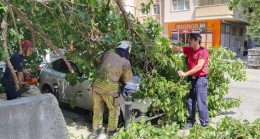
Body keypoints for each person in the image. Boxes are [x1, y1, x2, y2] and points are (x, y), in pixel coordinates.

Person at [92, 41, 133, 138]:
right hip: (110, 90)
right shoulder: (125, 62)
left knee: (97, 109)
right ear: (127, 49)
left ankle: (96, 131)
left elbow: (98, 61)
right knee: (114, 110)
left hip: (97, 86)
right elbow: (128, 78)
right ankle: (111, 133)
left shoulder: (108, 53)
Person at [170, 33, 209, 128]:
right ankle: (191, 121)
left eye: (190, 39)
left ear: (196, 40)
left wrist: (185, 73)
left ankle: (204, 124)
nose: (188, 41)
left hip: (201, 80)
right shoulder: (189, 50)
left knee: (201, 103)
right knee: (190, 101)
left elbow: (199, 66)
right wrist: (166, 44)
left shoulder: (203, 51)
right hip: (192, 80)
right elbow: (177, 49)